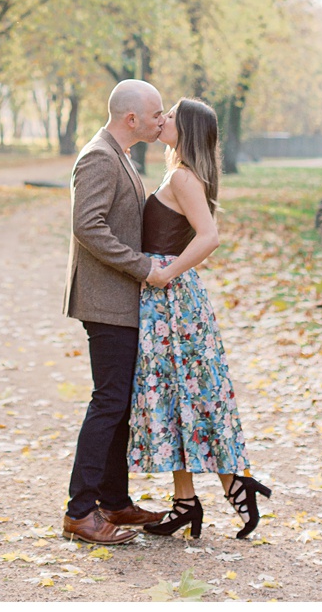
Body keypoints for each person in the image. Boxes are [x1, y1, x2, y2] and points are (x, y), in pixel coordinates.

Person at [127, 98, 272, 539]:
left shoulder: (182, 177)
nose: (162, 119)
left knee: (186, 394)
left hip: (171, 301)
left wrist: (166, 272)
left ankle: (229, 484)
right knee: (177, 398)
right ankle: (187, 501)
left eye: (169, 115)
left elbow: (209, 237)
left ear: (185, 129)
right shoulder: (184, 175)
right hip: (167, 301)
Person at [61, 78, 179, 545]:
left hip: (120, 298)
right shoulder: (98, 156)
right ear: (132, 118)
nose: (160, 120)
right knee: (108, 402)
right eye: (155, 114)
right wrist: (144, 268)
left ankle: (113, 501)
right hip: (106, 299)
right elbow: (86, 226)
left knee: (119, 403)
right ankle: (79, 512)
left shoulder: (120, 154)